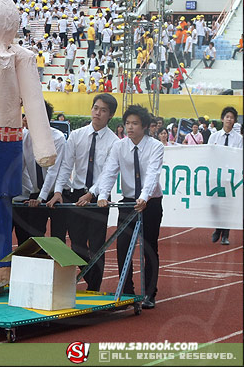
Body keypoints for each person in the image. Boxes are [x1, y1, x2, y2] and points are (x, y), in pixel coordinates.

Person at [47, 93, 119, 292]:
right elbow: (66, 166)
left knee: (97, 244)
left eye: (103, 110)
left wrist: (92, 194)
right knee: (77, 243)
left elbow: (107, 173)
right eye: (95, 108)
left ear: (110, 115)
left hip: (99, 198)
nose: (98, 113)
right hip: (76, 194)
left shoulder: (115, 142)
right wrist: (59, 191)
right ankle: (90, 276)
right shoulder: (77, 136)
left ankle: (94, 286)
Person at [97, 104, 164, 310]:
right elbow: (109, 172)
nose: (130, 127)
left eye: (135, 123)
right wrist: (102, 194)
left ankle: (149, 293)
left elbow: (153, 174)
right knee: (123, 246)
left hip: (150, 202)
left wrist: (143, 198)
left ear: (144, 126)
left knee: (149, 247)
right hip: (128, 202)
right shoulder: (119, 146)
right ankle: (127, 291)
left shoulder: (155, 146)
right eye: (127, 123)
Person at [12, 101, 67, 247]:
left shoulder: (58, 138)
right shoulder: (25, 137)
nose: (24, 118)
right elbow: (19, 167)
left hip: (56, 194)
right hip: (36, 193)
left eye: (28, 115)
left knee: (58, 240)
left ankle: (60, 269)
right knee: (33, 239)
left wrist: (41, 198)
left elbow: (52, 171)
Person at [208, 106, 243, 245]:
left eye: (232, 117)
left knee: (227, 205)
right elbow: (208, 153)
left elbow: (238, 156)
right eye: (227, 117)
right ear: (222, 119)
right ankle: (218, 227)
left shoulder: (238, 139)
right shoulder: (214, 136)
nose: (229, 119)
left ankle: (225, 234)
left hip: (230, 176)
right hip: (216, 175)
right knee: (214, 204)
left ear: (234, 121)